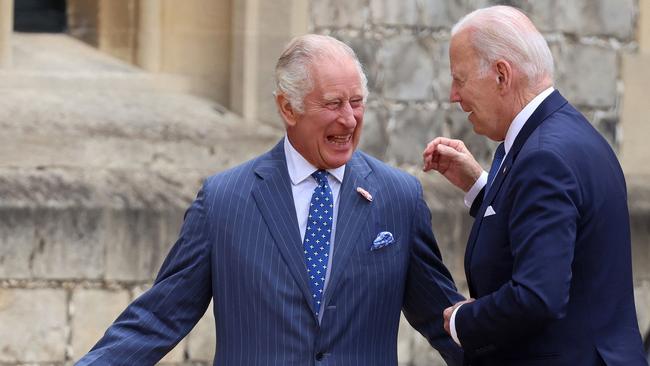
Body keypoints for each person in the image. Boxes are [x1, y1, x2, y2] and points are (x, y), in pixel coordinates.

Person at [76, 34, 464, 366]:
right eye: (333, 104)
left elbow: (445, 320)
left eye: (357, 102)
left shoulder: (399, 197)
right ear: (287, 108)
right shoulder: (224, 201)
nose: (349, 119)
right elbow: (160, 316)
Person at [422, 5, 648, 366]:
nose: (453, 95)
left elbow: (537, 295)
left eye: (460, 79)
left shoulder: (544, 157)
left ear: (501, 75)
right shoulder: (569, 133)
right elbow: (558, 232)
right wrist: (481, 188)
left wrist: (463, 321)